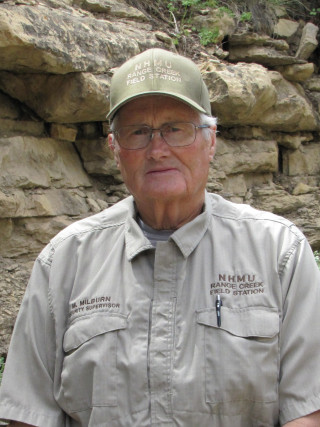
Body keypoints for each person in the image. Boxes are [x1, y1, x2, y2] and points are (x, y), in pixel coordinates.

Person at [0, 48, 320, 427]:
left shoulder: (279, 252)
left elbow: (306, 411)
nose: (157, 150)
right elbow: (29, 415)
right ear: (115, 149)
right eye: (138, 132)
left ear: (211, 140)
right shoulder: (64, 260)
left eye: (176, 129)